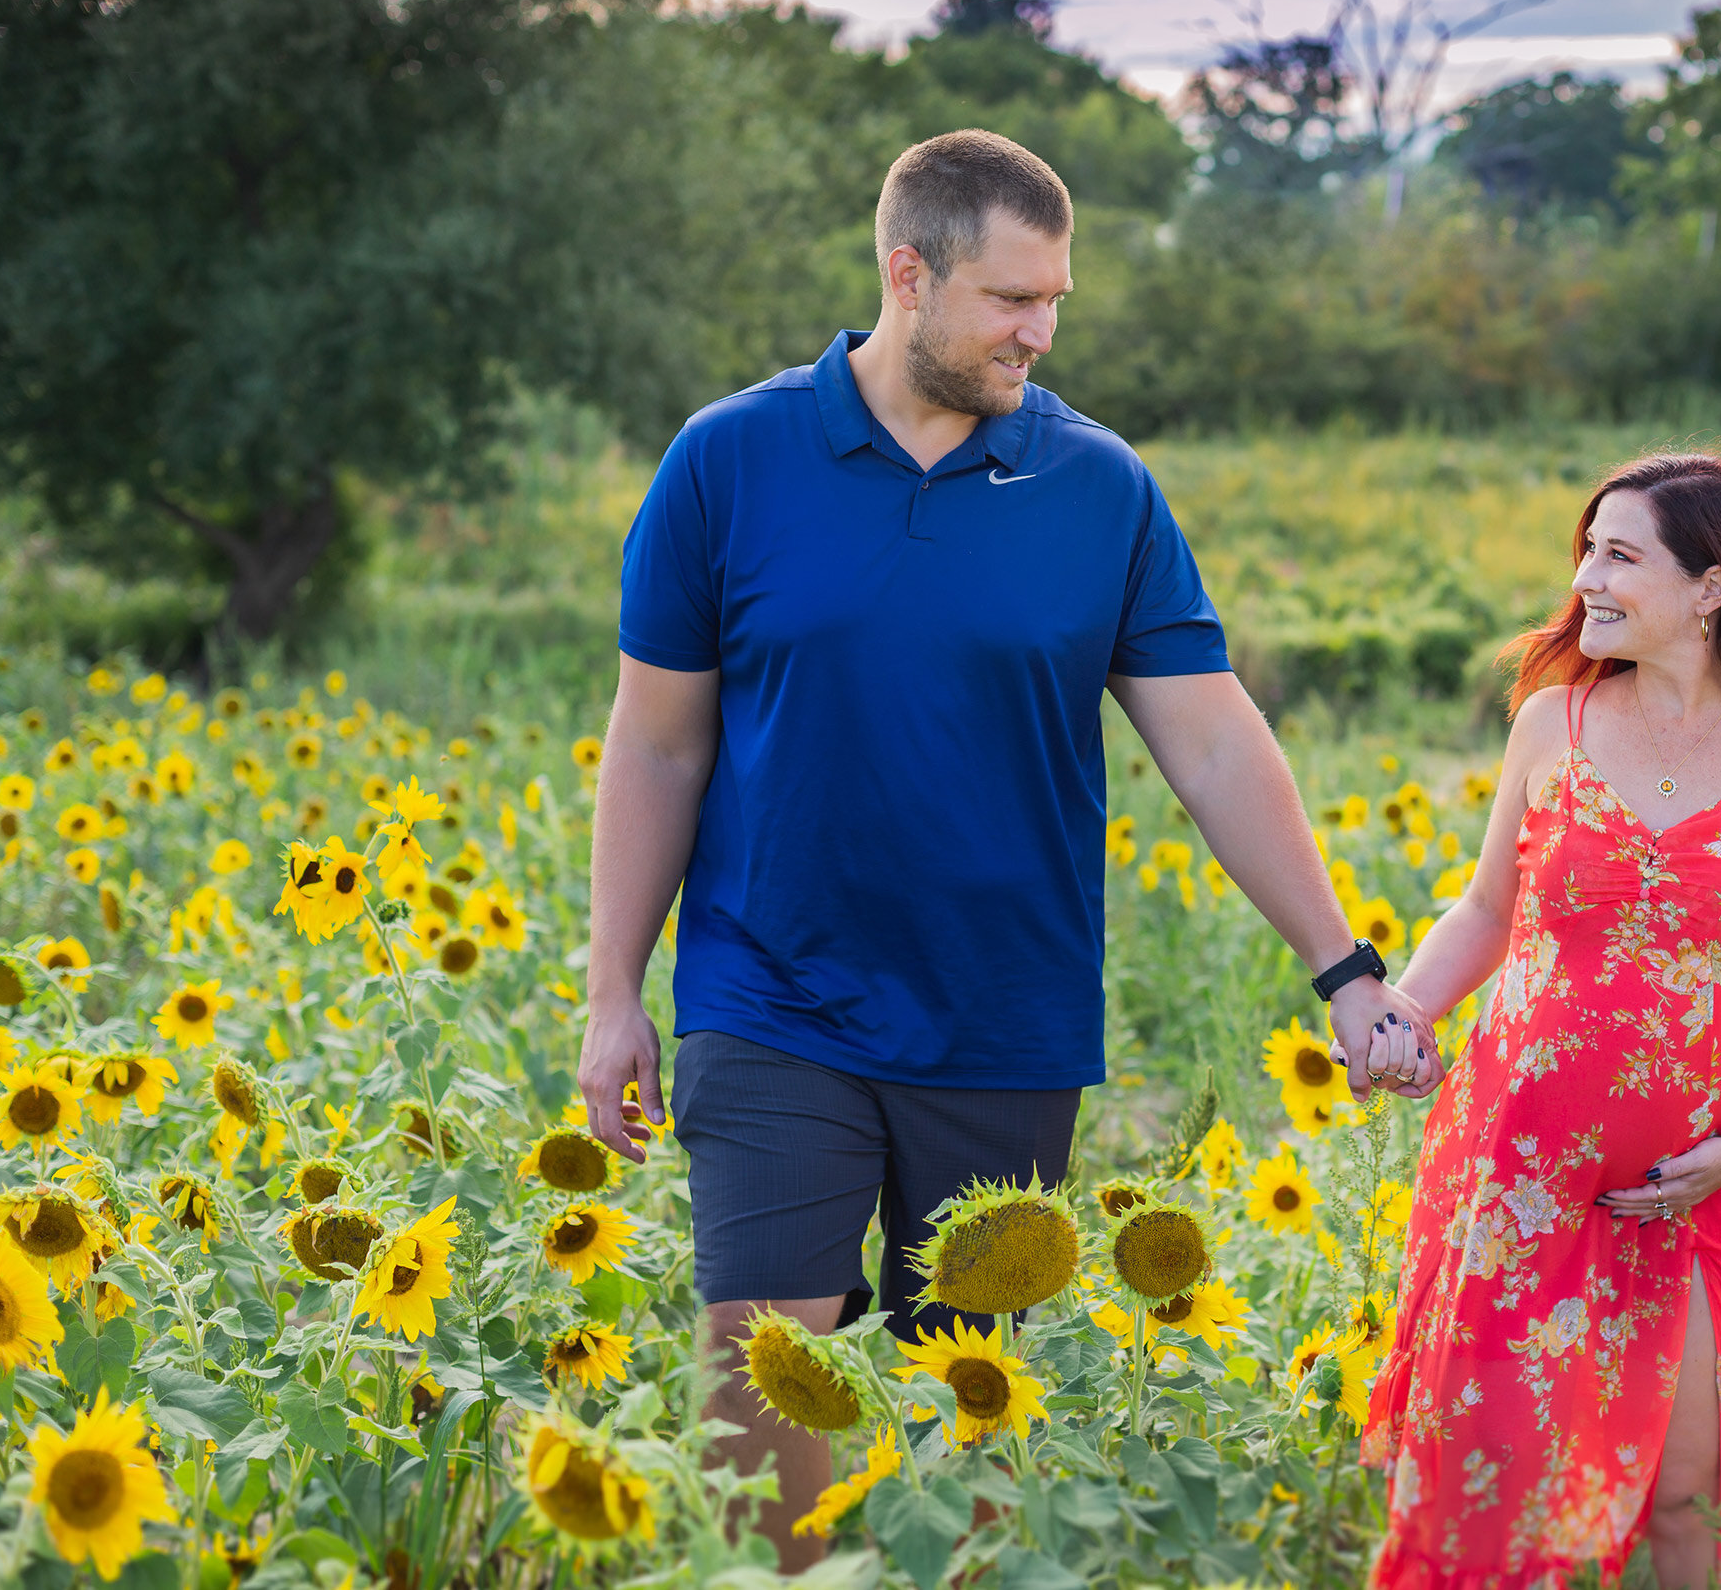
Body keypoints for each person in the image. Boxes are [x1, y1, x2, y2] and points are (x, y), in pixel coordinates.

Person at [574, 128, 1438, 1568]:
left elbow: (1214, 741)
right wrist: (615, 988)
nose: (1039, 331)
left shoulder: (1100, 489)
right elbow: (659, 740)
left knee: (967, 1393)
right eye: (1010, 299)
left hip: (1004, 1014)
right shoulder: (728, 460)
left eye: (1057, 302)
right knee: (758, 1369)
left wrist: (1342, 964)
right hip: (771, 992)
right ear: (907, 275)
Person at [1361, 452, 1721, 1589]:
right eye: (1586, 549)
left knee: (1695, 1496)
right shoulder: (1554, 723)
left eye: (1619, 554)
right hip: (1521, 1170)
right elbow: (1488, 906)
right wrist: (1400, 1005)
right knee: (1490, 1481)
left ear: (1711, 586)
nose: (1587, 577)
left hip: (1697, 1184)